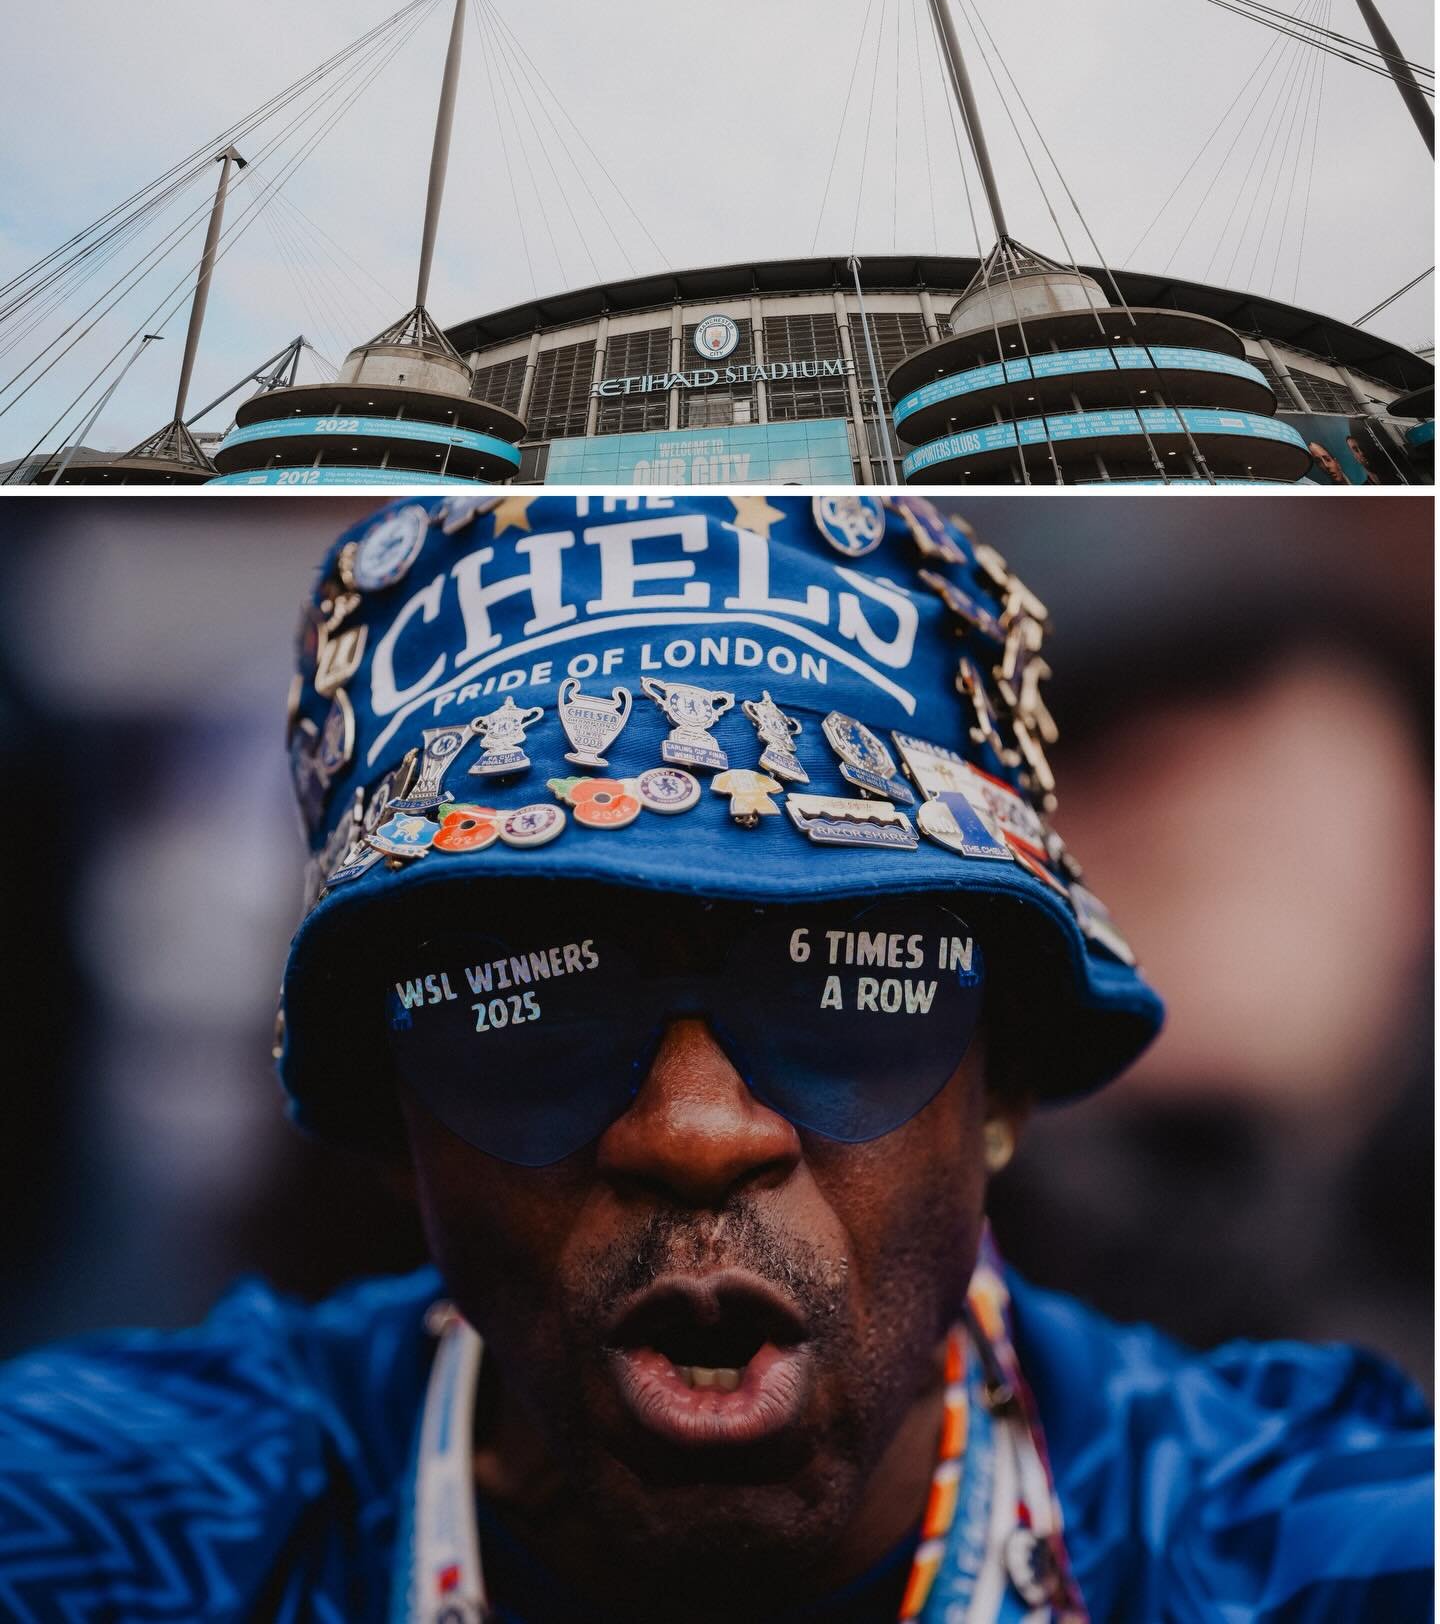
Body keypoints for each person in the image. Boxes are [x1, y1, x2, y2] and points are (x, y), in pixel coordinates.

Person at [0, 492, 1429, 1623]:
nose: (693, 1130)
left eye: (840, 979)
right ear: (390, 1121)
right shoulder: (93, 1534)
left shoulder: (1329, 1553)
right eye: (532, 994)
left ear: (1006, 1081)